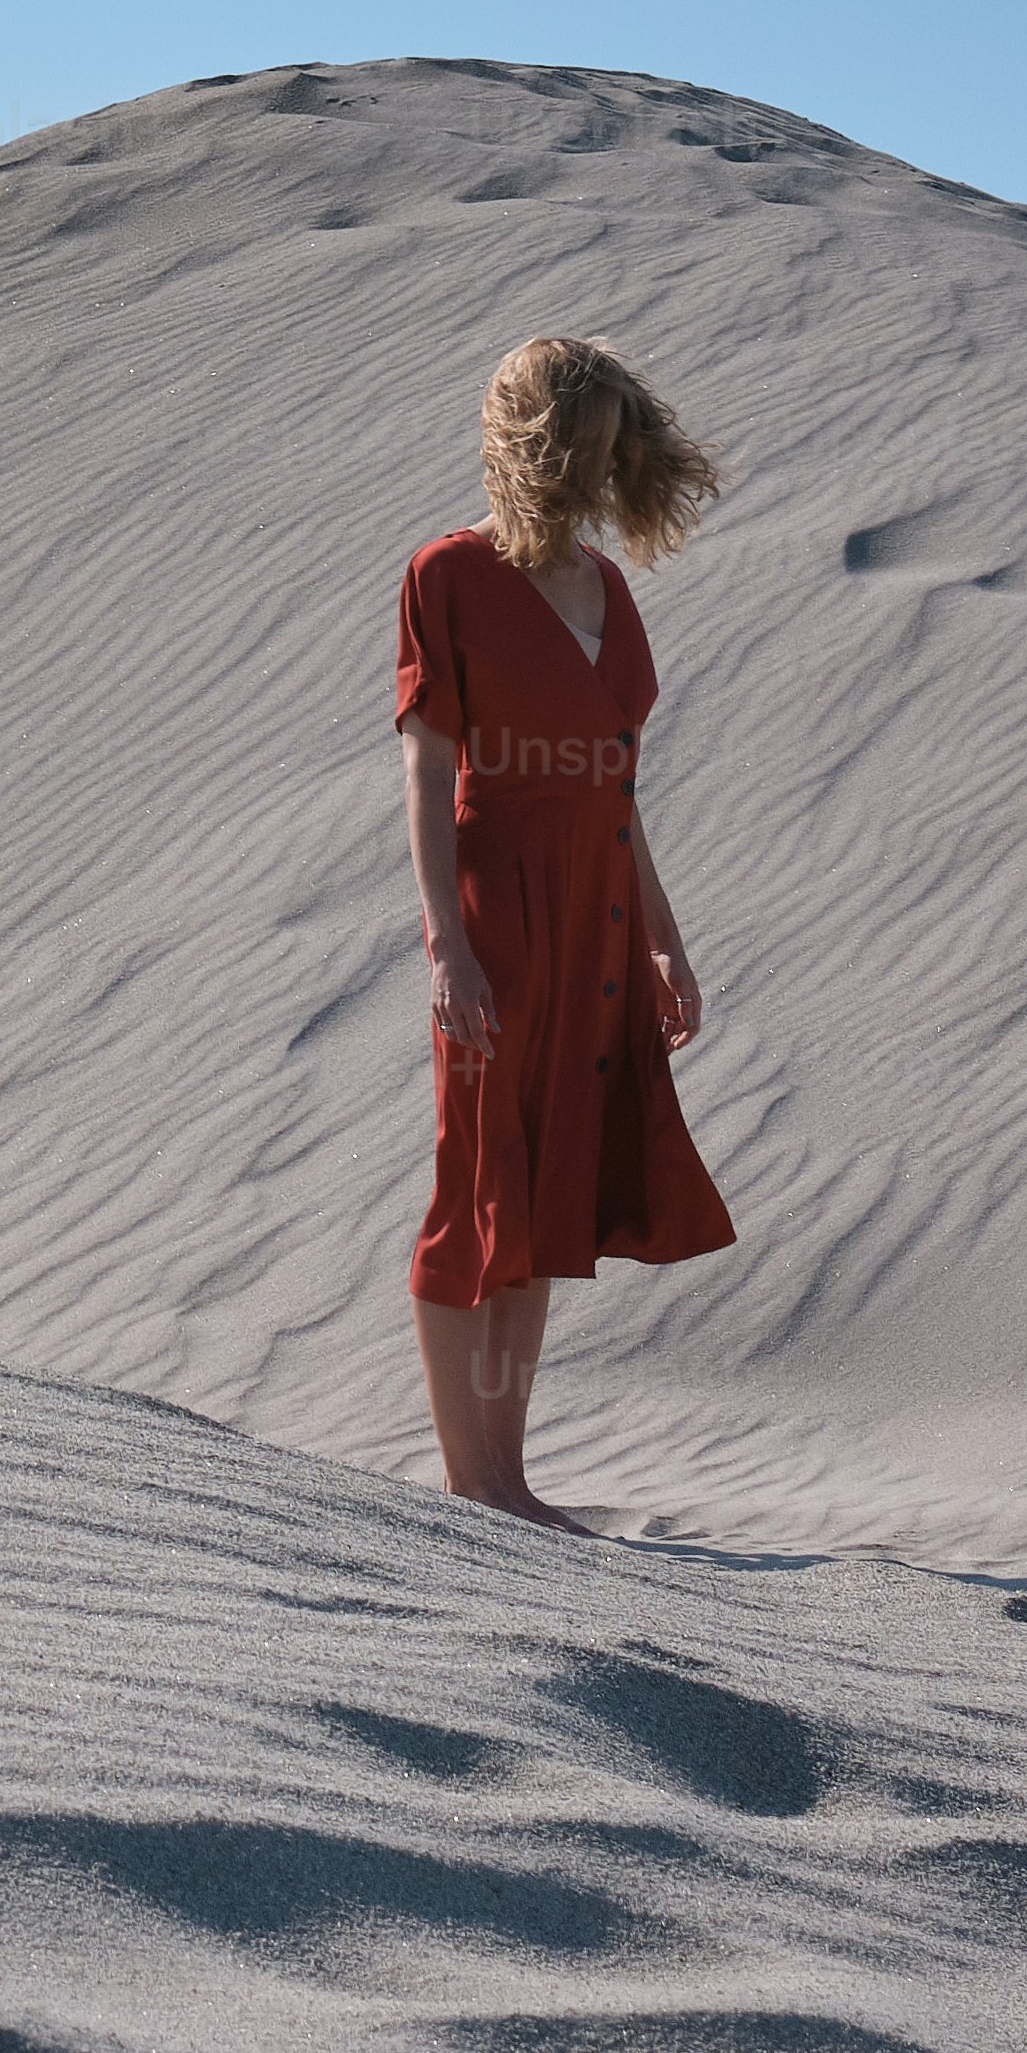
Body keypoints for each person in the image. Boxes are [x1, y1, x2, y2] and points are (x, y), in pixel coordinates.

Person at [391, 334, 736, 1527]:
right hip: (500, 920)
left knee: (544, 1205)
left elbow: (618, 792)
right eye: (579, 442)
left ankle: (511, 1478)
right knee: (474, 1185)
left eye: (608, 443)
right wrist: (447, 942)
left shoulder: (609, 588)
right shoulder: (449, 575)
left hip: (595, 922)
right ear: (531, 445)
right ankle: (467, 1482)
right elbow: (430, 774)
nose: (596, 465)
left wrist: (665, 942)